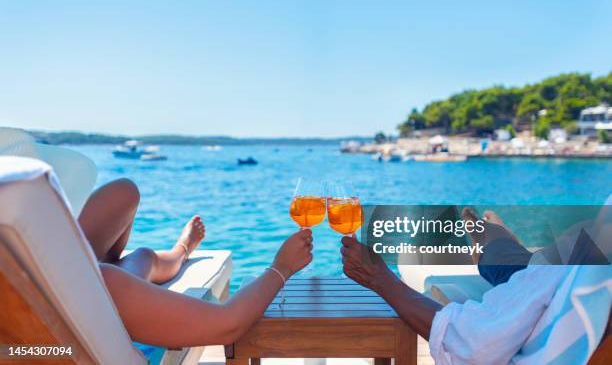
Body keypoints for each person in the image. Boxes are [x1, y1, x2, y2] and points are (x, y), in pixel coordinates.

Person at [340, 208, 611, 364]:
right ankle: (495, 240)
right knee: (517, 263)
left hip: (550, 274)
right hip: (553, 270)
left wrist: (380, 278)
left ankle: (492, 238)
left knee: (510, 263)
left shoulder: (595, 267)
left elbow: (473, 343)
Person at [80, 178, 313, 347]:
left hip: (63, 263)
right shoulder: (103, 288)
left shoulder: (88, 276)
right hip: (87, 290)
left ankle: (179, 251)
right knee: (136, 262)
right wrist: (281, 268)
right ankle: (180, 251)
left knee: (125, 192)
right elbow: (227, 324)